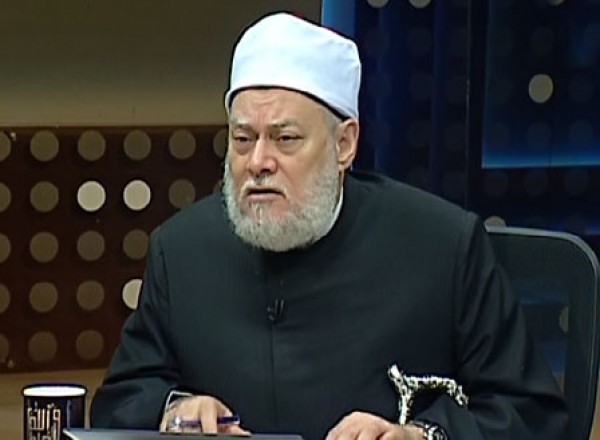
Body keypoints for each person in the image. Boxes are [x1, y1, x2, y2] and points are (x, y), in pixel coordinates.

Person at [90, 12, 568, 440]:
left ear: (344, 145)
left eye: (285, 139)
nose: (258, 162)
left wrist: (421, 435)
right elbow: (120, 401)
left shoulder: (443, 246)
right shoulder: (181, 252)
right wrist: (175, 411)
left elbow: (531, 414)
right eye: (242, 139)